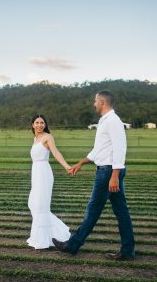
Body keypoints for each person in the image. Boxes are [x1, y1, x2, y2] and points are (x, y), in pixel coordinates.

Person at [52, 90, 135, 260]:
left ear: (102, 102)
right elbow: (99, 150)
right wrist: (80, 163)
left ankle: (72, 245)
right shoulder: (104, 121)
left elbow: (120, 149)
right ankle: (128, 251)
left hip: (108, 172)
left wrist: (114, 175)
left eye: (95, 101)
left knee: (93, 209)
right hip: (108, 170)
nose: (94, 104)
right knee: (121, 211)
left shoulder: (113, 121)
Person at [27, 114, 72, 249]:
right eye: (37, 122)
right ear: (32, 125)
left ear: (45, 125)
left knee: (40, 206)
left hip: (44, 173)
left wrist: (66, 166)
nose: (40, 125)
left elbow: (56, 152)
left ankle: (44, 240)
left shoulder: (48, 137)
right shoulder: (35, 139)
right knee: (33, 204)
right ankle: (45, 235)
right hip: (35, 172)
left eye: (42, 123)